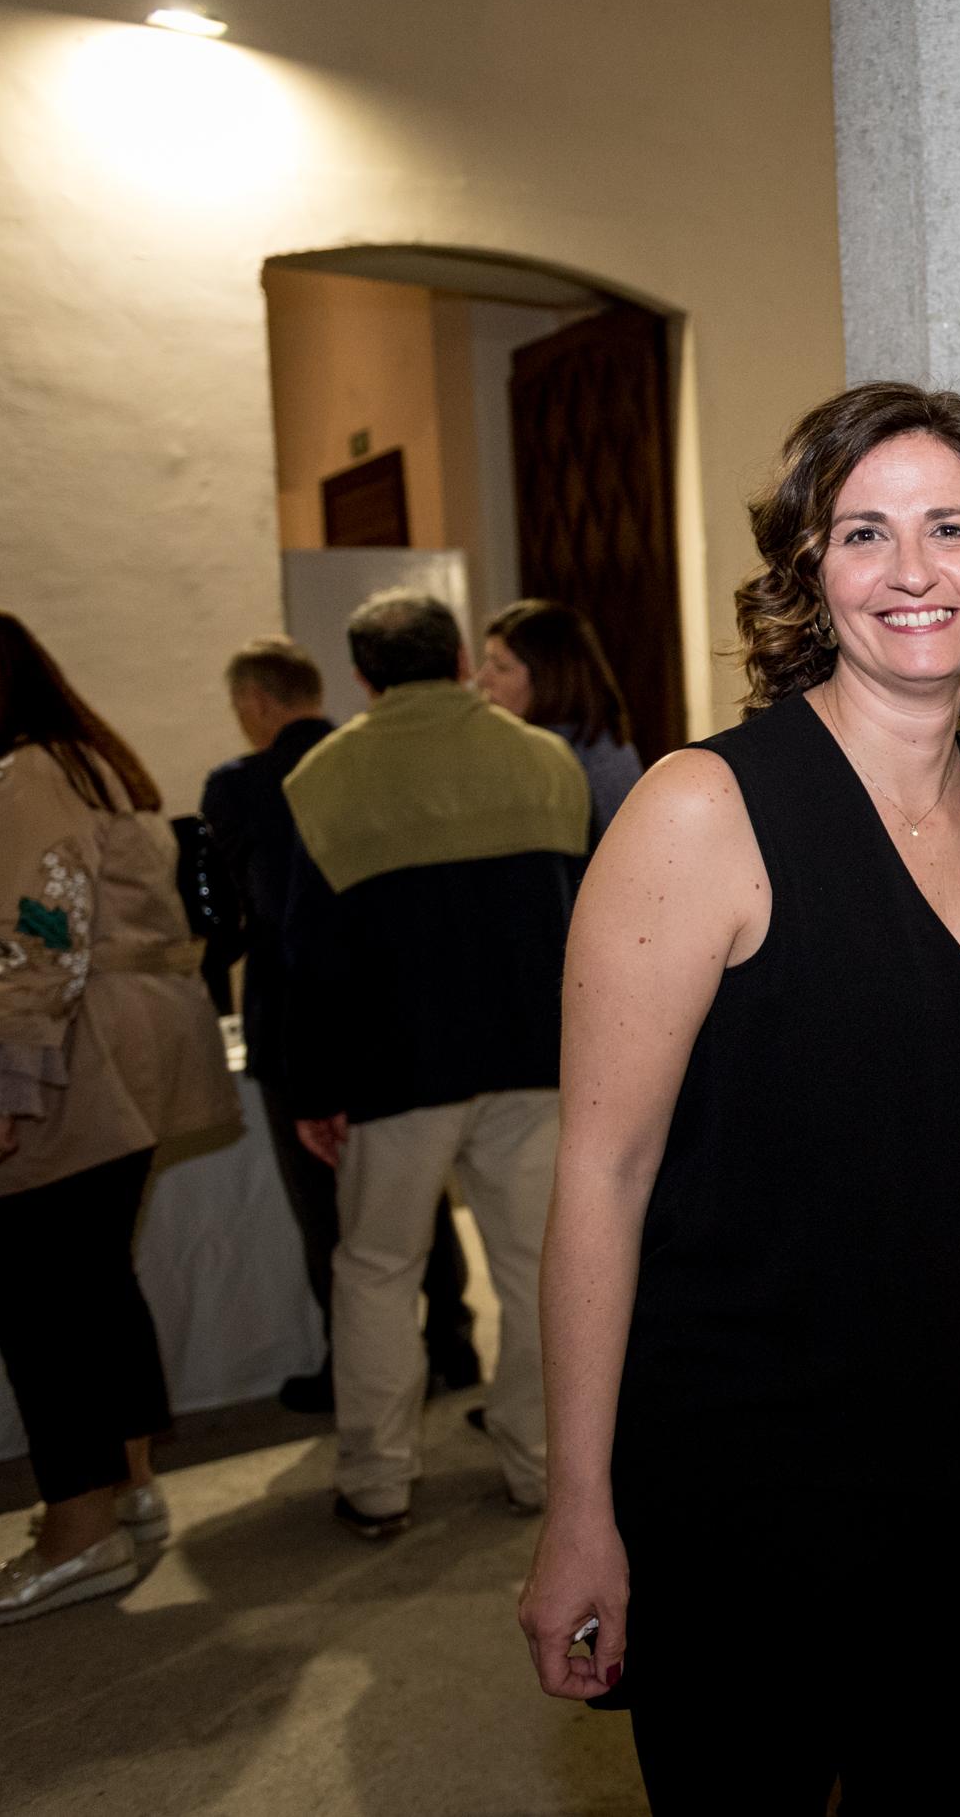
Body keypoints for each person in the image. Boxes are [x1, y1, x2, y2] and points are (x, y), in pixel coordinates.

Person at [518, 382, 960, 1810]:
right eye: (863, 533)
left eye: (951, 529)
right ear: (809, 575)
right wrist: (578, 1506)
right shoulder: (702, 808)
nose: (910, 570)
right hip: (739, 1483)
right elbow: (599, 1178)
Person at [0, 606, 238, 1629]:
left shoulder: (24, 776)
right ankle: (124, 1487)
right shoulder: (59, 764)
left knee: (37, 1295)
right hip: (96, 1065)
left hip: (63, 1072)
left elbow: (38, 942)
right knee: (88, 1284)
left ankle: (76, 1532)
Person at [279, 590, 587, 1537]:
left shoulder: (323, 778)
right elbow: (586, 916)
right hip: (536, 1057)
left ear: (362, 675)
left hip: (393, 1070)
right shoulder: (545, 758)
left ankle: (377, 1481)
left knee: (377, 1269)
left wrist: (314, 1087)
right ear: (458, 658)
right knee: (537, 1271)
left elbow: (307, 956)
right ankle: (540, 1469)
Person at [198, 637, 478, 1415]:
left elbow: (236, 912)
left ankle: (351, 1364)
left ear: (254, 701)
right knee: (417, 1188)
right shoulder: (379, 761)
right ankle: (452, 1337)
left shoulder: (240, 785)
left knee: (330, 1211)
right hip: (396, 1008)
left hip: (296, 1015)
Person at [476, 599, 645, 838]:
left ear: (548, 679)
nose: (482, 678)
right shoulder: (502, 745)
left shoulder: (600, 756)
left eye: (501, 667)